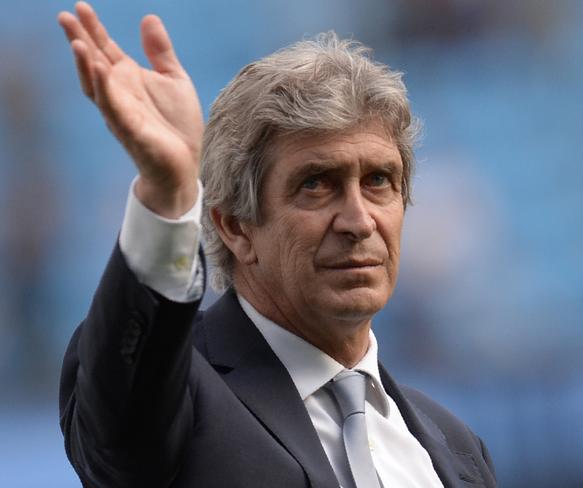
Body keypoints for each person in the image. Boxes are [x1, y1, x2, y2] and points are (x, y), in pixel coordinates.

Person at [57, 2, 497, 487]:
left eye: (378, 180)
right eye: (316, 184)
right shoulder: (178, 390)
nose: (358, 221)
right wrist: (170, 193)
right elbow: (119, 432)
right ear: (236, 228)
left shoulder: (456, 448)